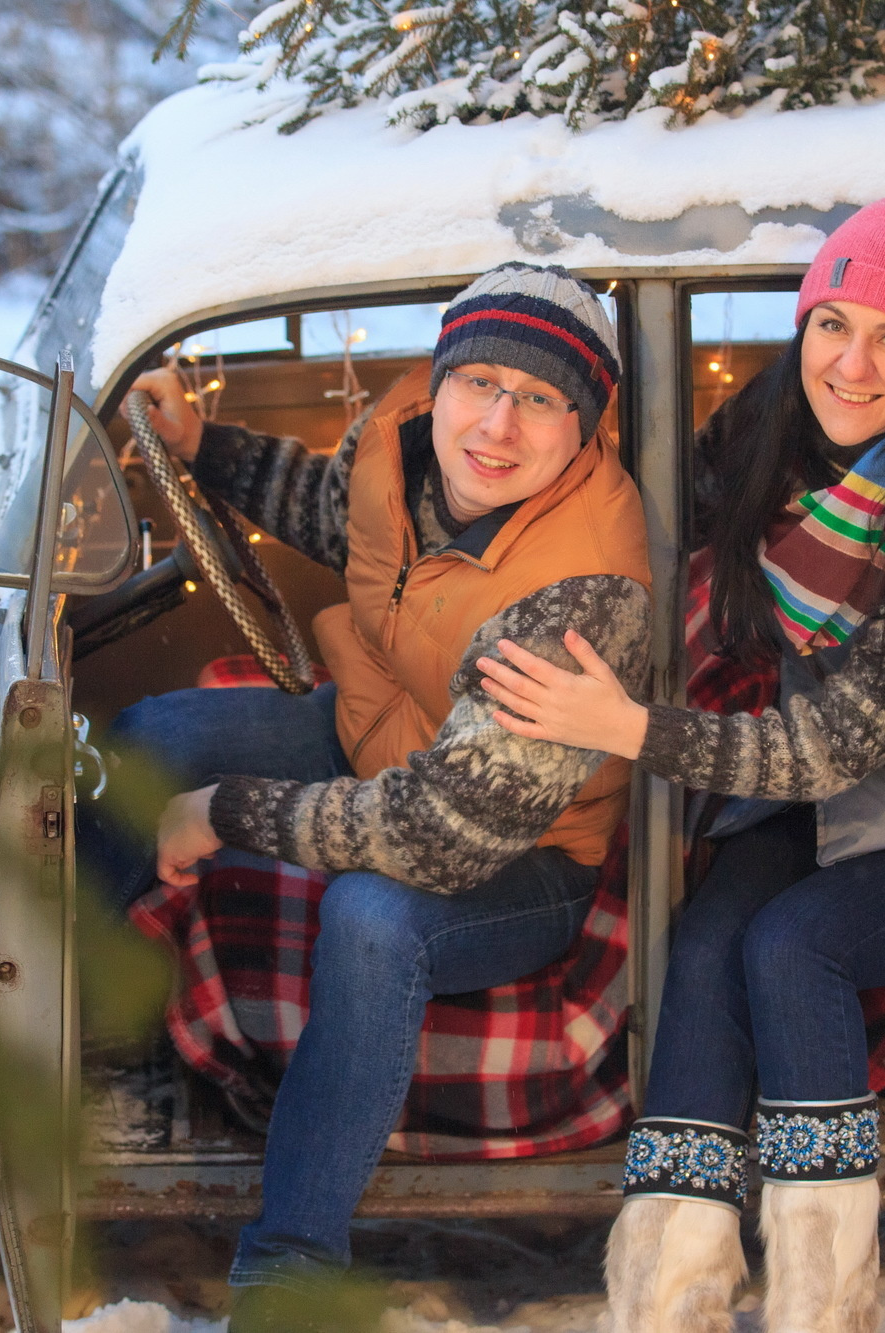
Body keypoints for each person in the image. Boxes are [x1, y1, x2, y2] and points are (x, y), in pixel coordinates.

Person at [474, 195, 885, 1333]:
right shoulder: (775, 415)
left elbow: (813, 753)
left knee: (791, 945)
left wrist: (623, 722)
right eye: (834, 322)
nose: (853, 363)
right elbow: (657, 496)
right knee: (709, 936)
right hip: (864, 771)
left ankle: (823, 1305)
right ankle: (665, 1297)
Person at [86, 264, 651, 1330]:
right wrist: (207, 445)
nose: (495, 422)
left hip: (524, 853)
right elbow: (343, 515)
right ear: (438, 381)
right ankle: (48, 1018)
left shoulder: (582, 589)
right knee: (153, 736)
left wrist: (222, 814)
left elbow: (439, 837)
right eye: (478, 381)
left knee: (374, 916)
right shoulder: (406, 426)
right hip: (379, 721)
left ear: (583, 426)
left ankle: (290, 1262)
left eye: (538, 399)